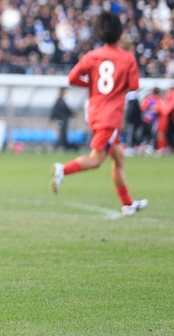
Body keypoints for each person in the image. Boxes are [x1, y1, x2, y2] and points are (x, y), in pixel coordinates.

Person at [51, 13, 148, 216]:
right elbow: (135, 85)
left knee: (118, 158)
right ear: (120, 34)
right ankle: (63, 169)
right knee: (96, 160)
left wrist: (92, 84)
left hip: (95, 112)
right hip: (110, 116)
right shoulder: (127, 58)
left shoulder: (92, 56)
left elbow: (72, 77)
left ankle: (127, 204)